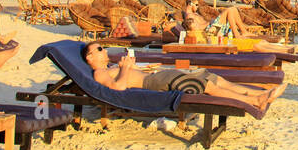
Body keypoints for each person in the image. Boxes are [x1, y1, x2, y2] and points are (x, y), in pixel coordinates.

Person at [82, 42, 278, 111]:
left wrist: (141, 67)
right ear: (90, 57)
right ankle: (256, 101)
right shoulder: (100, 73)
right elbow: (118, 89)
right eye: (100, 48)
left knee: (212, 78)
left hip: (156, 75)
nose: (104, 50)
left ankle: (255, 94)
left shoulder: (110, 67)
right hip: (155, 83)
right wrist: (125, 68)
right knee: (208, 87)